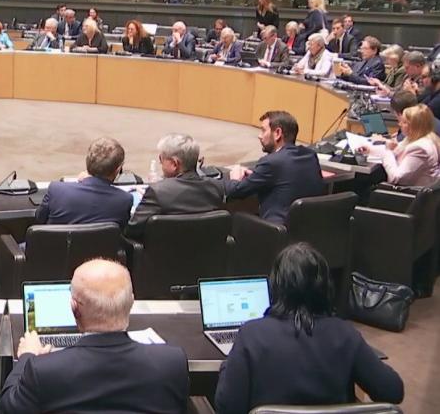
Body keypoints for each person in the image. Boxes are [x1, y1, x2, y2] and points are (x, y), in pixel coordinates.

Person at [215, 243, 403, 414]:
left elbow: (227, 407)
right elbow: (393, 392)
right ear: (325, 287)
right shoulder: (346, 334)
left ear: (276, 287)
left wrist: (227, 366)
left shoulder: (251, 335)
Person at [0, 259, 189, 414]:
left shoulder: (43, 370)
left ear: (74, 308)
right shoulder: (173, 363)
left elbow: (9, 407)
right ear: (131, 302)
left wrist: (26, 357)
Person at [225, 111, 325, 223]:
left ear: (277, 133)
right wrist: (257, 175)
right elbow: (286, 177)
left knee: (236, 220)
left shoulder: (271, 162)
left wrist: (234, 178)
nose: (259, 136)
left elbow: (235, 191)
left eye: (263, 130)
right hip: (309, 229)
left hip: (276, 233)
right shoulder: (310, 156)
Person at [125, 134, 226, 239]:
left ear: (174, 164)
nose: (160, 163)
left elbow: (132, 230)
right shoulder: (216, 187)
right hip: (208, 251)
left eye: (162, 159)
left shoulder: (157, 192)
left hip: (164, 253)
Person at [36, 137, 133, 228]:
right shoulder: (124, 200)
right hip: (100, 246)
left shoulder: (56, 190)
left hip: (56, 245)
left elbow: (39, 218)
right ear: (118, 169)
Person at [359, 104, 440, 187]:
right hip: (414, 192)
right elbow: (395, 149)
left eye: (404, 122)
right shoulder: (417, 138)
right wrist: (370, 150)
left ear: (415, 126)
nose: (400, 124)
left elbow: (396, 178)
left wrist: (386, 154)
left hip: (410, 196)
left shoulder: (420, 148)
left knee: (363, 183)